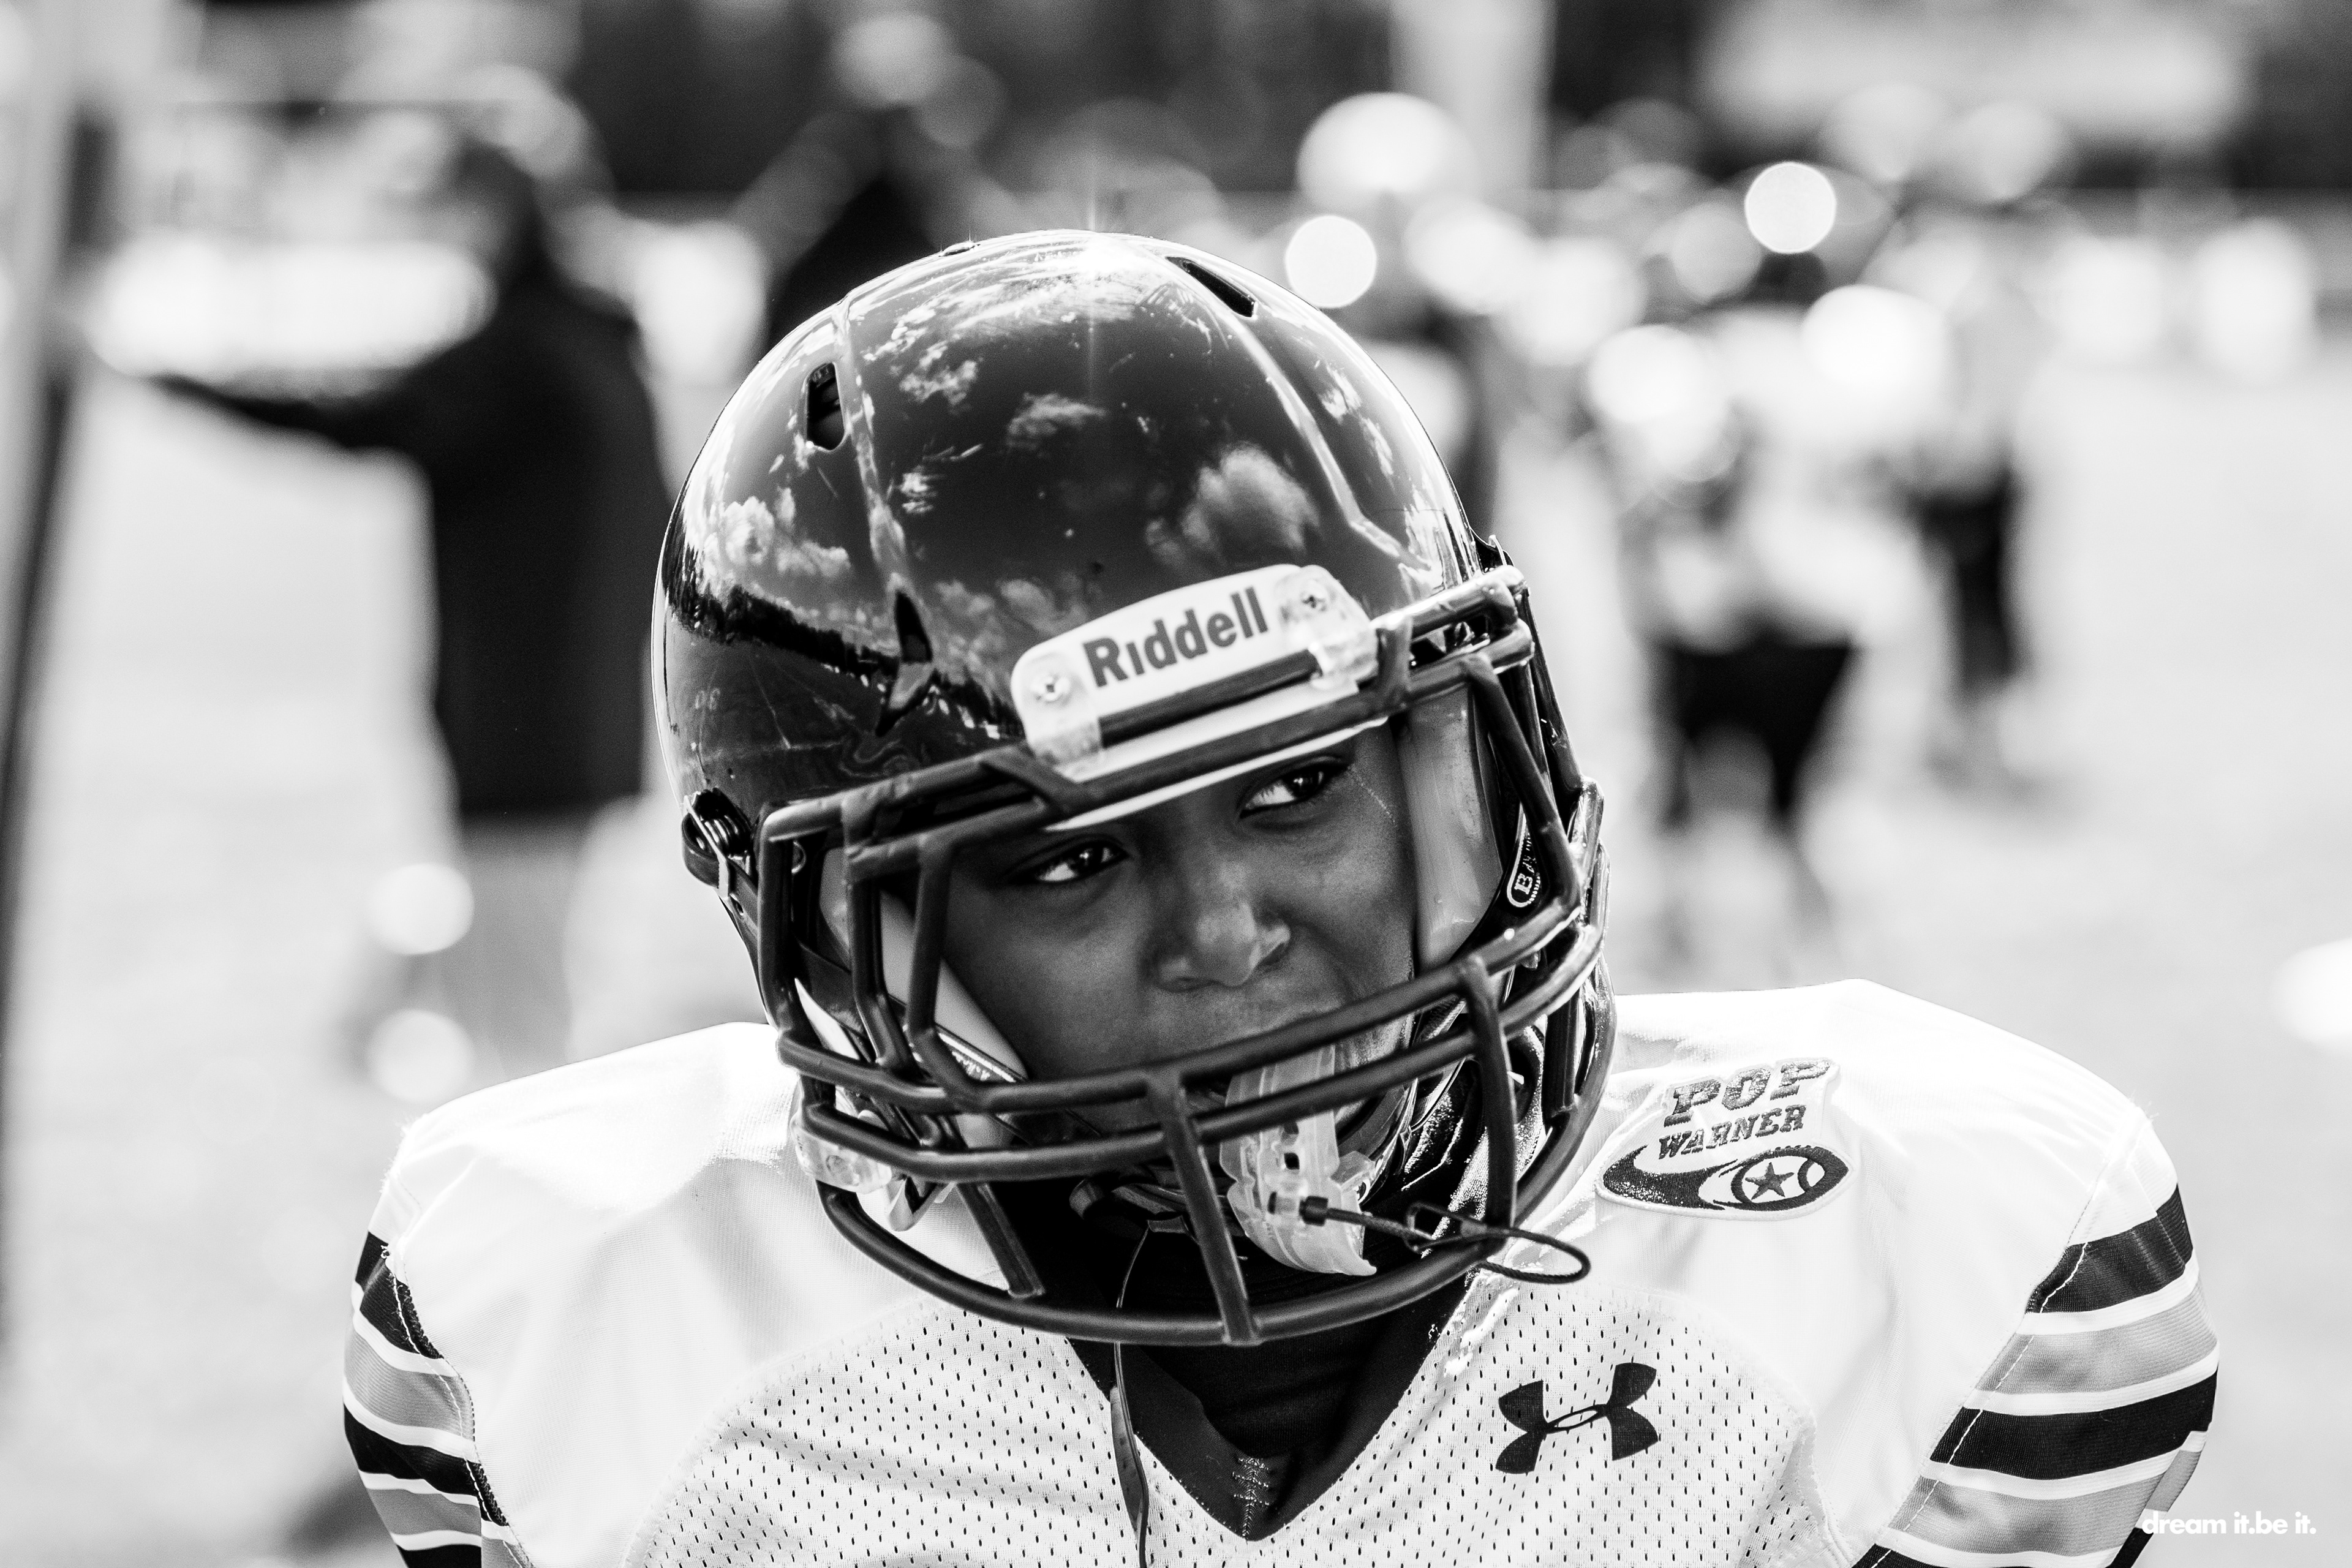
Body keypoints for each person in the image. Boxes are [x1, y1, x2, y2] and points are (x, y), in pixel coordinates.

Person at [339, 233, 2211, 1567]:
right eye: (1067, 857)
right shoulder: (584, 1331)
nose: (1228, 925)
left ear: (1480, 762)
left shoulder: (1918, 1257)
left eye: (1301, 784)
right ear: (841, 938)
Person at [162, 124, 671, 1083]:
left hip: (527, 722)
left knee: (521, 1022)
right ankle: (370, 1020)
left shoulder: (519, 361)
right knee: (511, 938)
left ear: (488, 213)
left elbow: (357, 414)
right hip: (586, 709)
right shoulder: (597, 345)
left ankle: (400, 1048)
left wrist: (173, 375)